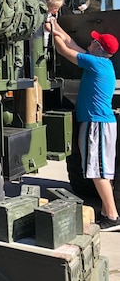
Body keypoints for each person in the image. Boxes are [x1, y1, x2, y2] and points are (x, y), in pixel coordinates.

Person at [49, 22, 120, 231]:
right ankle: (110, 211)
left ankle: (112, 216)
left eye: (94, 41)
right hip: (98, 123)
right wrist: (55, 24)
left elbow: (64, 49)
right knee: (100, 169)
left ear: (99, 48)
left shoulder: (95, 64)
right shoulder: (99, 62)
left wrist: (50, 32)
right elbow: (71, 43)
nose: (90, 42)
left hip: (97, 124)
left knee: (98, 171)